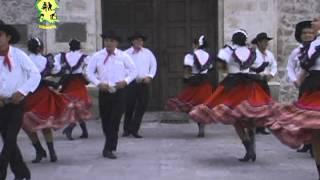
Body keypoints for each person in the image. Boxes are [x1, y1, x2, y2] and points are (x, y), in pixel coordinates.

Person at [190, 29, 274, 162]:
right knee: (250, 116)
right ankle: (252, 148)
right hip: (249, 84)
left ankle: (248, 148)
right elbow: (256, 67)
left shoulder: (227, 50)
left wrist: (227, 69)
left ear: (233, 39)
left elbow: (220, 65)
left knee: (235, 118)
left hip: (233, 84)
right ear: (245, 39)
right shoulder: (251, 51)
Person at [267, 18, 320, 179]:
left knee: (317, 130)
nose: (313, 22)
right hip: (313, 86)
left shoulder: (314, 44)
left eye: (317, 20)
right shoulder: (308, 47)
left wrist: (300, 79)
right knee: (316, 130)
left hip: (313, 85)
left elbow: (305, 65)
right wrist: (297, 81)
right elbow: (299, 66)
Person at [22, 37, 75, 163]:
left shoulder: (25, 60)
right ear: (41, 48)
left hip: (28, 95)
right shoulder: (46, 60)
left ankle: (39, 151)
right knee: (45, 124)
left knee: (28, 125)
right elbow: (58, 71)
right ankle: (52, 152)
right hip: (43, 94)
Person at [86, 30, 137, 159]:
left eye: (112, 41)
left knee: (115, 120)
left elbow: (133, 71)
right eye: (107, 40)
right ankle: (109, 142)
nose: (109, 43)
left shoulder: (123, 56)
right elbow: (89, 72)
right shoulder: (97, 56)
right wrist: (98, 83)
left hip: (119, 91)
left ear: (117, 43)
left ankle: (109, 148)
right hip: (104, 91)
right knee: (106, 121)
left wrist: (125, 81)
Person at [0, 20, 41, 180]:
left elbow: (35, 74)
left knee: (10, 138)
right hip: (1, 104)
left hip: (17, 103)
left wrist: (22, 91)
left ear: (8, 37)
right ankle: (22, 173)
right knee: (8, 140)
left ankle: (2, 168)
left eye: (0, 35)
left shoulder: (18, 55)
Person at [166, 35, 216, 137]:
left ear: (196, 44)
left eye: (193, 44)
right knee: (203, 106)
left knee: (191, 104)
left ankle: (199, 125)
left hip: (194, 83)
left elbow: (187, 70)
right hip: (205, 84)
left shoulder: (190, 56)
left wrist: (185, 78)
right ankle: (202, 126)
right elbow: (210, 68)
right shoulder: (209, 55)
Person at [286, 20, 316, 156]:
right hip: (304, 85)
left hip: (316, 83)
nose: (308, 35)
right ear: (300, 35)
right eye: (304, 33)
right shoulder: (296, 51)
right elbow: (290, 67)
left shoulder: (316, 48)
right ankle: (307, 142)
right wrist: (295, 80)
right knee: (305, 114)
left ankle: (314, 143)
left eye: (310, 32)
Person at [53, 39, 92, 140]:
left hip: (68, 83)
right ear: (79, 47)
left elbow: (56, 68)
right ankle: (71, 127)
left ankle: (84, 131)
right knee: (80, 107)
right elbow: (88, 69)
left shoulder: (62, 56)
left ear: (70, 47)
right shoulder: (84, 57)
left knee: (73, 107)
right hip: (78, 83)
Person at [123, 32, 157, 138]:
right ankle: (126, 129)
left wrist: (150, 76)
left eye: (141, 40)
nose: (139, 42)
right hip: (130, 83)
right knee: (129, 107)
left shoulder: (148, 53)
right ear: (132, 41)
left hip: (143, 83)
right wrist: (126, 79)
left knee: (142, 106)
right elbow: (121, 67)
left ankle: (134, 129)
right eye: (137, 40)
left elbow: (153, 65)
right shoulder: (126, 53)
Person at [251, 32, 277, 135]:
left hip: (264, 81)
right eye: (264, 41)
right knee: (255, 104)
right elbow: (248, 67)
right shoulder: (253, 54)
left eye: (267, 41)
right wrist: (258, 74)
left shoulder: (269, 54)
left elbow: (274, 65)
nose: (266, 43)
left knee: (266, 103)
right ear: (258, 43)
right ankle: (254, 125)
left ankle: (262, 126)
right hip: (254, 81)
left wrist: (271, 74)